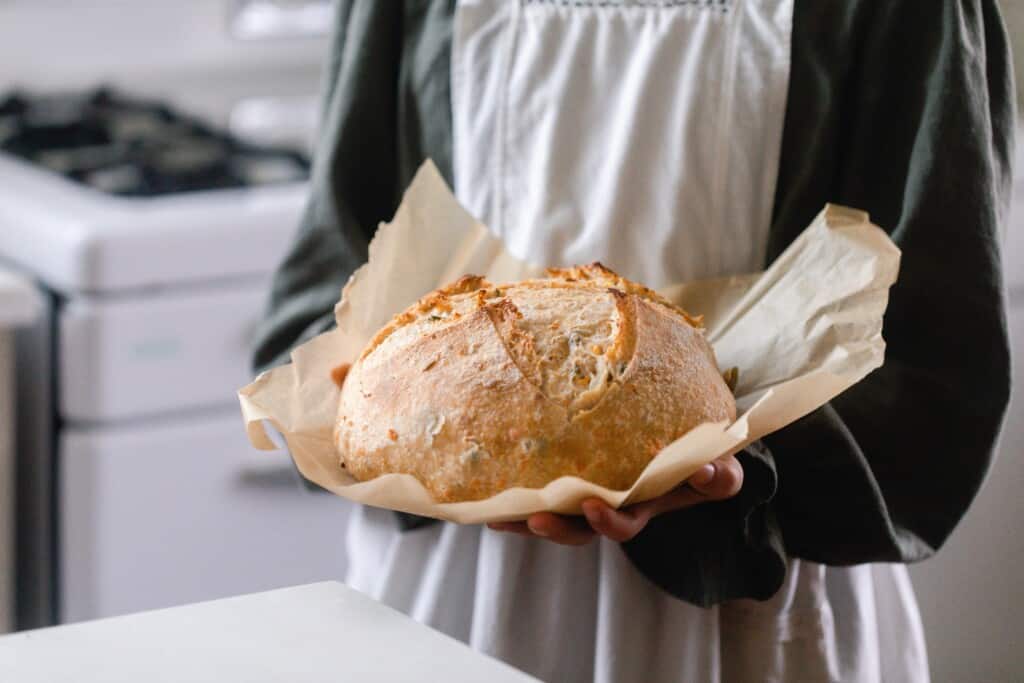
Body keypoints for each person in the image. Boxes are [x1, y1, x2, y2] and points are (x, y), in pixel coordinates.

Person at [252, 1, 1015, 681]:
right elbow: (323, 302)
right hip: (444, 610)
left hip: (746, 627)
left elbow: (939, 380)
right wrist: (394, 415)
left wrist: (744, 461)